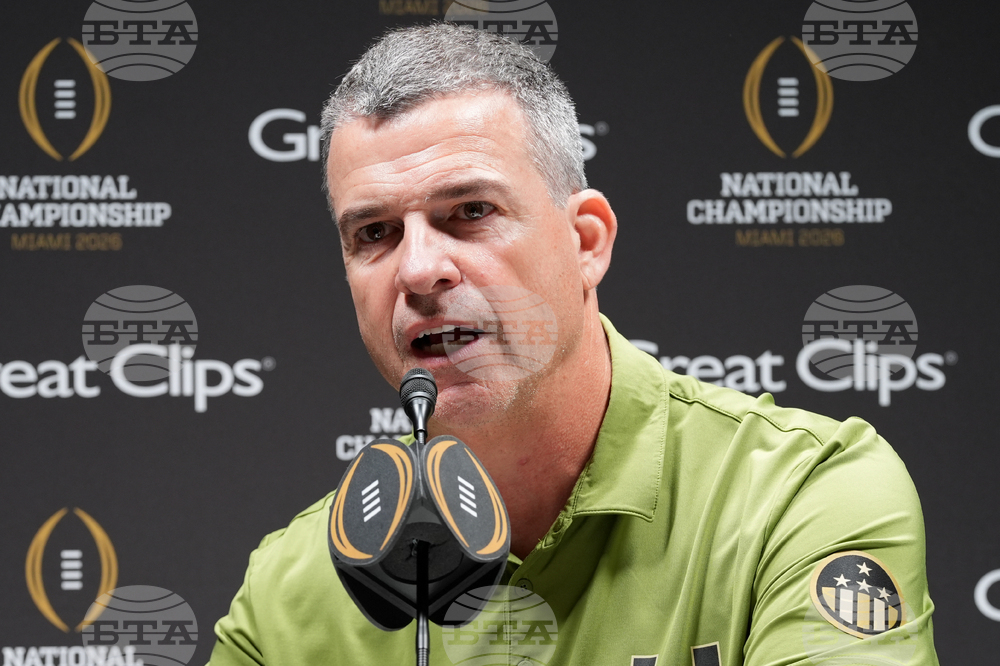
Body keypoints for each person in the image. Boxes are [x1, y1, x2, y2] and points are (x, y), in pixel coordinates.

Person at [209, 24, 938, 665]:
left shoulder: (800, 496)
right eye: (375, 233)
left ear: (585, 242)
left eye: (469, 212)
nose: (419, 268)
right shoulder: (287, 593)